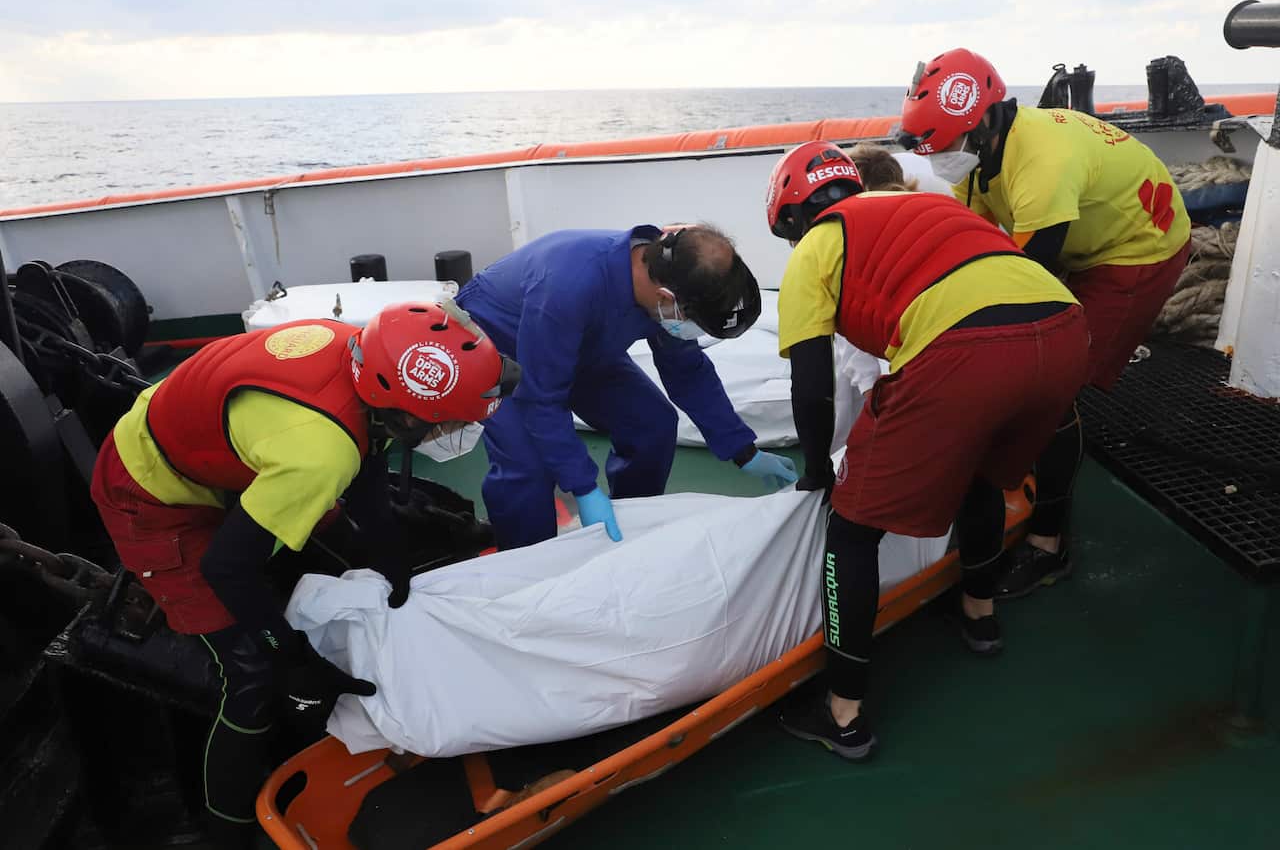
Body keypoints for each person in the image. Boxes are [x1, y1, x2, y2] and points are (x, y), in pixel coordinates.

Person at [89, 300, 518, 847]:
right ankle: (226, 829)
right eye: (452, 421)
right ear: (408, 411)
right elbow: (228, 566)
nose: (455, 430)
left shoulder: (360, 350)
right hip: (150, 495)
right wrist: (290, 658)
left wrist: (388, 555)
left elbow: (365, 455)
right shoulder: (319, 454)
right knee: (249, 678)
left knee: (342, 542)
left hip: (215, 449)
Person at [764, 140, 1089, 760]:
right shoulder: (929, 207)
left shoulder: (819, 244)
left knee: (853, 528)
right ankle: (980, 615)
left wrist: (816, 472)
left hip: (968, 350)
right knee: (982, 478)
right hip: (1064, 331)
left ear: (795, 217)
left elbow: (810, 386)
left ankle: (843, 713)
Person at [898, 48, 1193, 599]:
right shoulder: (982, 155)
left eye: (947, 147)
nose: (942, 160)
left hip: (1137, 250)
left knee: (1053, 387)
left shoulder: (1040, 161)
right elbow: (972, 241)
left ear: (983, 120)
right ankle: (1035, 462)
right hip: (1086, 242)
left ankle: (1050, 544)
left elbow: (1026, 285)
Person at [453, 223, 799, 551]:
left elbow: (687, 371)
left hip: (580, 346)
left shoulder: (671, 280)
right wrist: (584, 487)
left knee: (652, 422)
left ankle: (629, 525)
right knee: (528, 464)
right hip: (499, 348)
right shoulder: (568, 284)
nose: (695, 333)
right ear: (665, 298)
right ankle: (525, 562)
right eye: (697, 325)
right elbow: (541, 398)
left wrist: (742, 449)